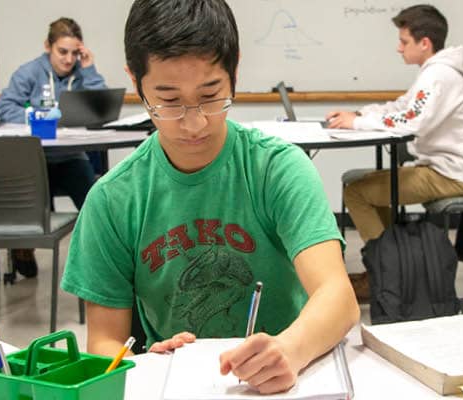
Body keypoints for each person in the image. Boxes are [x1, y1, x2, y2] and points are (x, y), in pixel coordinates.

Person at [59, 0, 359, 395]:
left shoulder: (275, 169)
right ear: (137, 83)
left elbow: (338, 297)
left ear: (234, 73)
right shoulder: (114, 200)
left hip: (287, 384)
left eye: (210, 95)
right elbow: (103, 345)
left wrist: (289, 349)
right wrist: (143, 363)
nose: (194, 122)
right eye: (168, 101)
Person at [326, 5, 463, 299]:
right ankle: (394, 266)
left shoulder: (439, 75)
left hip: (450, 175)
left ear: (424, 43)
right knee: (365, 187)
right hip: (445, 168)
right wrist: (360, 113)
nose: (398, 48)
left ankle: (386, 273)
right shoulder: (436, 72)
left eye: (404, 42)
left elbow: (412, 120)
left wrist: (359, 122)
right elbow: (403, 107)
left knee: (357, 193)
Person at [0, 17, 106, 277]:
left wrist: (89, 69)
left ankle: (103, 254)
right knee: (26, 193)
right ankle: (22, 248)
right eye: (62, 52)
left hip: (70, 158)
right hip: (36, 160)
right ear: (48, 46)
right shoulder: (29, 72)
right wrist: (39, 115)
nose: (68, 59)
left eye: (74, 53)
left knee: (96, 202)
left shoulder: (81, 74)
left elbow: (100, 109)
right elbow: (4, 108)